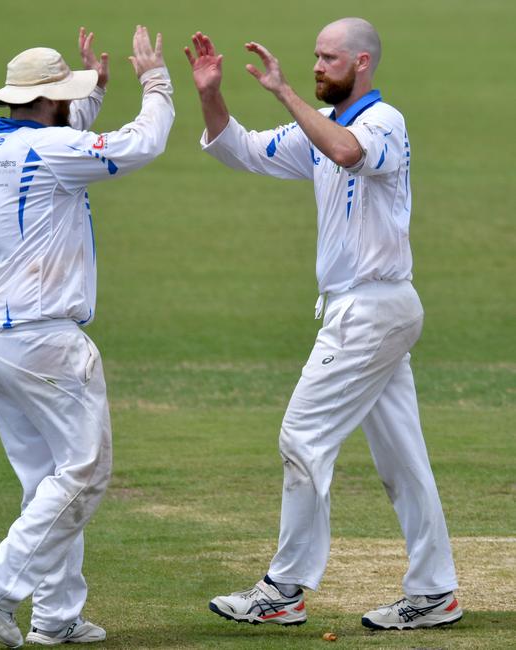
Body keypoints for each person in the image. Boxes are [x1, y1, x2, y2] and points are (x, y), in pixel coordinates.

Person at [185, 17, 462, 631]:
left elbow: (348, 154)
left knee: (302, 438)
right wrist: (210, 93)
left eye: (329, 59)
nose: (316, 67)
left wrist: (286, 93)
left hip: (372, 310)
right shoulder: (322, 125)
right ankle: (436, 590)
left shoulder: (380, 122)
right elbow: (243, 150)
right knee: (403, 461)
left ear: (362, 63)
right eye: (314, 56)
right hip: (367, 310)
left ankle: (284, 589)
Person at [0, 25, 174, 647]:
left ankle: (56, 618)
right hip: (43, 341)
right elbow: (139, 144)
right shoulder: (50, 152)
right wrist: (154, 82)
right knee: (83, 472)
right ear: (52, 100)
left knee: (44, 482)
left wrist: (90, 97)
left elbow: (59, 138)